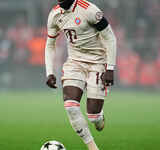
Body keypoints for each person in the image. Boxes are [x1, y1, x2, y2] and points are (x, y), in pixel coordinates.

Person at [45, 0, 117, 150]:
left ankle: (98, 116)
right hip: (74, 63)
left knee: (94, 117)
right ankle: (93, 148)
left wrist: (110, 68)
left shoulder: (90, 10)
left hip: (97, 62)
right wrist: (49, 72)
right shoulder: (54, 15)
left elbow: (110, 37)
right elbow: (50, 45)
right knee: (70, 106)